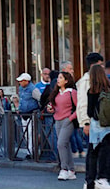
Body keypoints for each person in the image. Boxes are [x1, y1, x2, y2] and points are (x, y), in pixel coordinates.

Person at [76, 53, 104, 188]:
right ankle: (90, 181)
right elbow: (82, 103)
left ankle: (96, 180)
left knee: (99, 152)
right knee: (93, 153)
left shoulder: (98, 80)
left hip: (100, 122)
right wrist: (85, 123)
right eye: (100, 64)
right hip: (91, 122)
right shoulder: (85, 81)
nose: (102, 67)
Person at [46, 71, 78, 180]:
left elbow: (79, 107)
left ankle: (64, 169)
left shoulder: (72, 92)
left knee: (60, 143)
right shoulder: (57, 92)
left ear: (67, 80)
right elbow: (55, 107)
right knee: (65, 145)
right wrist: (51, 109)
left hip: (67, 120)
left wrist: (70, 118)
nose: (58, 80)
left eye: (61, 78)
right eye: (58, 78)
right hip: (57, 120)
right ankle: (71, 170)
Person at [86, 64, 110, 189]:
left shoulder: (91, 91)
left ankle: (90, 181)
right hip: (108, 126)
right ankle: (104, 178)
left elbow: (89, 112)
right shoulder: (109, 88)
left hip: (96, 126)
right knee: (106, 153)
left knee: (93, 153)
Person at [16, 72, 41, 158]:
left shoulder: (33, 89)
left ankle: (31, 151)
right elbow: (21, 100)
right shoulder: (21, 89)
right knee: (26, 134)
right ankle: (30, 150)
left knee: (31, 133)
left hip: (31, 113)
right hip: (24, 113)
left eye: (21, 81)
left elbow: (39, 99)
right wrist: (19, 108)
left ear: (26, 81)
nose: (20, 82)